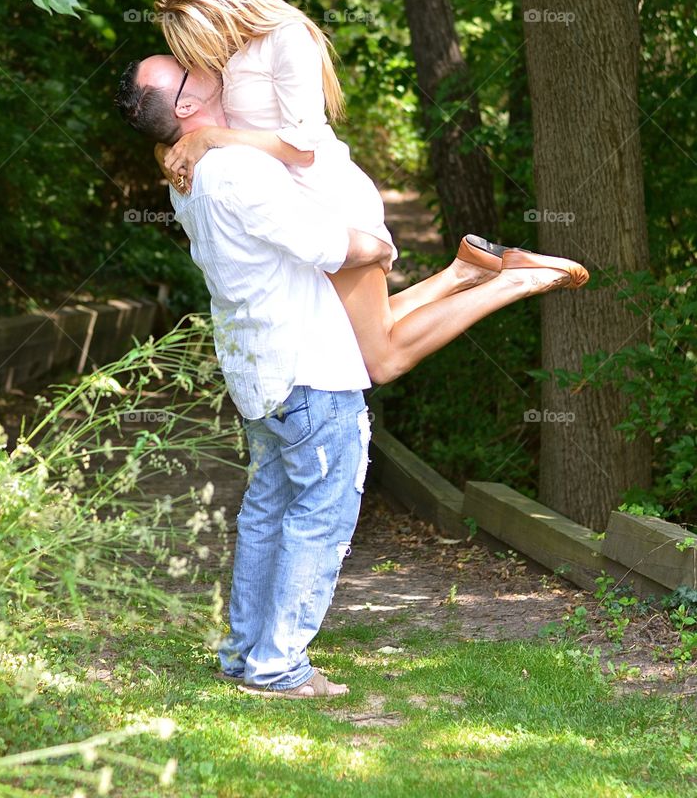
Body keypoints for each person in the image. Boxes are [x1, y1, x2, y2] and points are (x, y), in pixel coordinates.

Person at [114, 56, 587, 697]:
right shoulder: (232, 168)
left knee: (268, 512)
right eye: (186, 70)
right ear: (188, 106)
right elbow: (327, 247)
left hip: (260, 372)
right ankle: (278, 666)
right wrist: (378, 245)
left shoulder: (190, 172)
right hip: (308, 370)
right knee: (320, 517)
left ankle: (246, 652)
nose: (202, 65)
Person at [152, 0, 589, 385]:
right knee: (356, 341)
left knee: (382, 360)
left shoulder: (287, 38)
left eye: (197, 39)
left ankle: (515, 280)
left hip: (326, 200)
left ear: (222, 7)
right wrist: (169, 148)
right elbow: (174, 120)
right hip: (293, 207)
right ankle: (464, 270)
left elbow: (301, 149)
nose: (195, 56)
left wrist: (208, 138)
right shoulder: (225, 56)